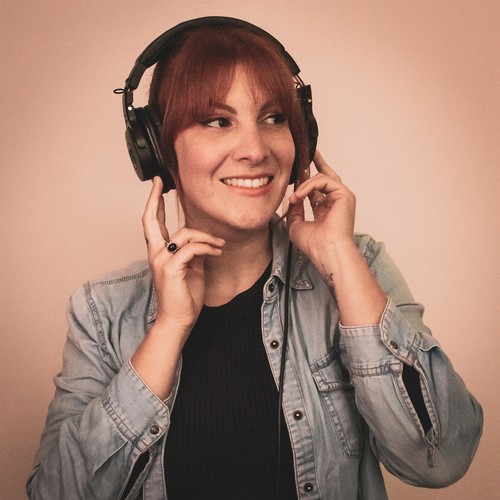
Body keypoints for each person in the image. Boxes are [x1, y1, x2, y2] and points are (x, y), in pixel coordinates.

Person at [27, 17, 482, 500]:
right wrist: (169, 328)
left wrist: (339, 257)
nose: (255, 149)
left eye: (275, 119)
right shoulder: (101, 311)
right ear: (157, 149)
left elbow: (440, 460)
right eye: (218, 121)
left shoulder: (356, 264)